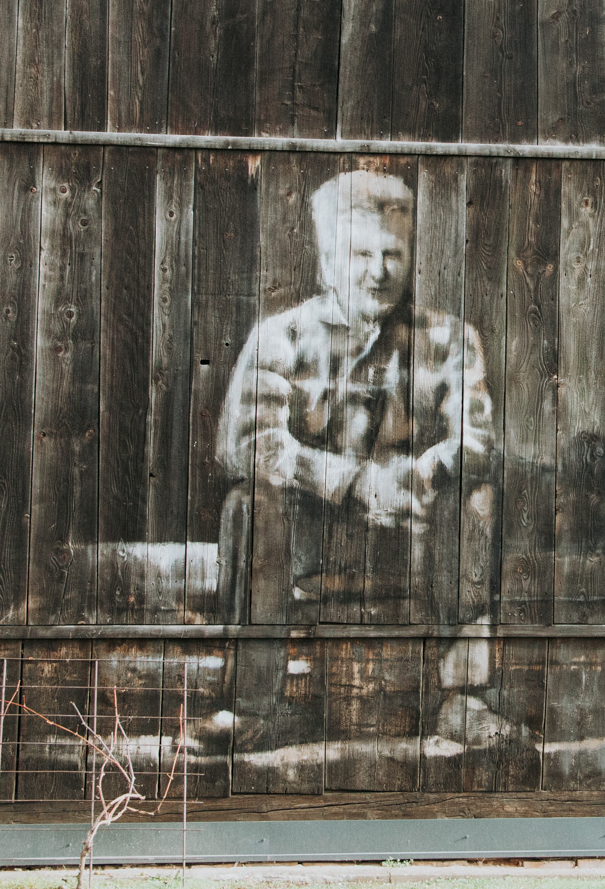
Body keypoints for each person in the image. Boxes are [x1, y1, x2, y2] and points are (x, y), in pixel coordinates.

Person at [216, 169, 503, 742]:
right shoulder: (283, 336)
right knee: (248, 503)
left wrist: (427, 470)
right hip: (312, 525)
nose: (379, 270)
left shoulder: (449, 339)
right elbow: (246, 439)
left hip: (416, 522)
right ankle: (250, 707)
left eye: (393, 253)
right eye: (361, 253)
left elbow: (479, 439)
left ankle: (463, 697)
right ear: (327, 262)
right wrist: (348, 481)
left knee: (477, 494)